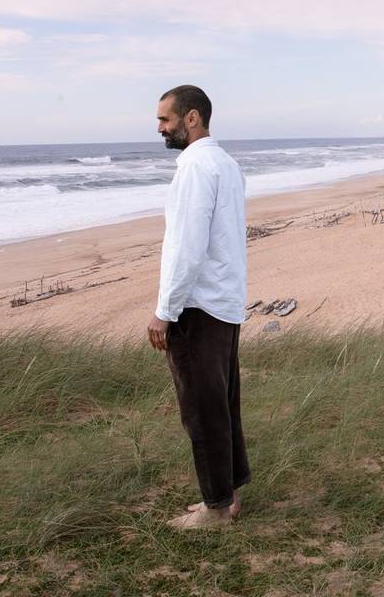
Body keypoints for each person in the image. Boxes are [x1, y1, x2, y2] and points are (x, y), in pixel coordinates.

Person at [147, 85, 250, 527]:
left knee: (201, 409)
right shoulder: (225, 163)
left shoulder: (194, 167)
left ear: (192, 118)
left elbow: (186, 248)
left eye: (165, 120)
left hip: (198, 305)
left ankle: (214, 509)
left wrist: (164, 310)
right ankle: (229, 496)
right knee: (222, 403)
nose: (160, 129)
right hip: (225, 301)